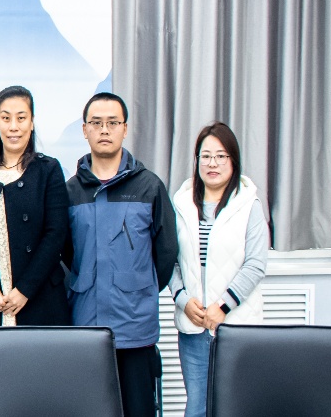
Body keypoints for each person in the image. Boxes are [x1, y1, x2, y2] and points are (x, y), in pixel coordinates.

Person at [64, 92, 177, 417]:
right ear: (85, 129)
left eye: (112, 123)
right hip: (86, 324)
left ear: (125, 129)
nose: (104, 130)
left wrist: (138, 287)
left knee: (139, 409)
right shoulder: (71, 191)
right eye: (96, 123)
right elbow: (66, 253)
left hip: (135, 328)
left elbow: (166, 252)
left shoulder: (149, 186)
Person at [169, 122, 267, 417]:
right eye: (206, 156)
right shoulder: (181, 204)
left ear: (233, 161)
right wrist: (183, 300)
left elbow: (255, 264)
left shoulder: (249, 204)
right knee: (197, 408)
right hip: (193, 324)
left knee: (236, 407)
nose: (213, 163)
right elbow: (170, 260)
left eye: (221, 156)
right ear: (197, 160)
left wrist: (223, 306)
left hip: (237, 325)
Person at [0, 85, 71, 327]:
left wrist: (25, 289)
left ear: (32, 123)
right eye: (6, 118)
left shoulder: (48, 170)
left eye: (21, 118)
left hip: (41, 299)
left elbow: (56, 234)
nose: (13, 126)